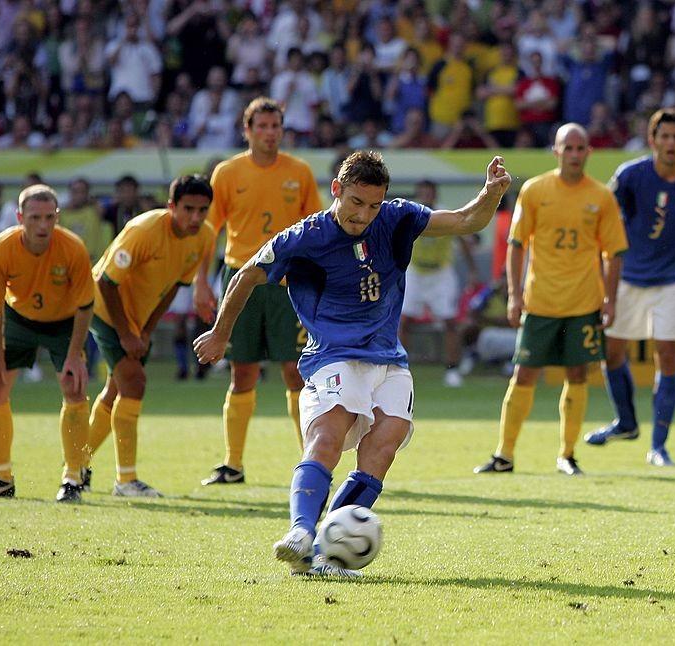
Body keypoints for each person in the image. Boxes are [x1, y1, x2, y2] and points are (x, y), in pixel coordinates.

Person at [194, 151, 511, 576]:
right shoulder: (304, 237)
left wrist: (490, 193)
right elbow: (245, 275)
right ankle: (301, 532)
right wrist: (220, 332)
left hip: (388, 358)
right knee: (329, 434)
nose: (364, 214)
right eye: (357, 203)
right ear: (337, 190)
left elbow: (465, 220)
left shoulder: (396, 218)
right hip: (333, 354)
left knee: (385, 443)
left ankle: (325, 551)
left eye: (374, 205)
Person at [474, 124, 626, 477]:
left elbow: (613, 253)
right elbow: (516, 244)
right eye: (567, 148)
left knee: (577, 375)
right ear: (556, 152)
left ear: (588, 152)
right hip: (540, 301)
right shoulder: (534, 190)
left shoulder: (602, 197)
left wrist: (610, 298)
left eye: (580, 148)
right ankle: (504, 455)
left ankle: (568, 454)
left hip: (584, 302)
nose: (574, 154)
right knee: (523, 375)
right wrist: (514, 295)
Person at [193, 97, 323, 487]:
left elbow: (315, 229)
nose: (269, 133)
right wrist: (201, 281)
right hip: (241, 280)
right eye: (262, 126)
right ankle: (233, 464)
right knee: (243, 371)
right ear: (247, 131)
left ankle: (312, 461)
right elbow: (208, 232)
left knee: (295, 372)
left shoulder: (298, 172)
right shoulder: (227, 173)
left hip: (288, 283)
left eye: (275, 127)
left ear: (283, 131)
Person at [585, 109, 675, 468]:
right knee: (612, 353)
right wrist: (603, 283)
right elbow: (606, 227)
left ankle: (658, 446)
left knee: (668, 355)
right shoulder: (630, 177)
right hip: (629, 276)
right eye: (665, 137)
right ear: (653, 140)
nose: (671, 143)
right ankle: (626, 423)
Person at [83, 175, 216, 497]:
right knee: (134, 382)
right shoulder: (144, 230)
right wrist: (128, 333)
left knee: (115, 391)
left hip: (136, 320)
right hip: (102, 309)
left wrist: (145, 330)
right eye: (188, 209)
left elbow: (173, 288)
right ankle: (125, 481)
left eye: (203, 210)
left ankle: (76, 465)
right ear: (171, 206)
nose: (195, 218)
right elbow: (106, 283)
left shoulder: (204, 237)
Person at [0, 185, 94, 502]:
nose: (42, 225)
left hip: (64, 323)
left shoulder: (73, 248)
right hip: (18, 320)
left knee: (74, 387)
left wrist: (76, 354)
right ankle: (2, 477)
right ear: (20, 217)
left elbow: (85, 306)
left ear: (57, 217)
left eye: (49, 217)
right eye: (35, 217)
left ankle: (73, 478)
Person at [399, 179, 478, 388]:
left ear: (435, 194)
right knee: (403, 321)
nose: (426, 196)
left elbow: (463, 242)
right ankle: (400, 370)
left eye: (429, 192)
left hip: (440, 273)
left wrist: (472, 270)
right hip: (415, 272)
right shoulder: (409, 216)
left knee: (449, 321)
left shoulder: (445, 216)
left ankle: (452, 369)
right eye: (422, 192)